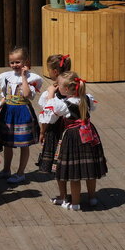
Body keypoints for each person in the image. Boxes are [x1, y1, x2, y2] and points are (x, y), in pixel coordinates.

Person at [40, 71, 107, 210]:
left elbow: (49, 117)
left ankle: (75, 203)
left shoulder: (63, 104)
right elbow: (93, 107)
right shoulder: (86, 99)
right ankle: (92, 197)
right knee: (89, 169)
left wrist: (51, 94)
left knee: (74, 172)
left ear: (65, 89)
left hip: (72, 137)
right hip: (89, 133)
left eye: (59, 85)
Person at [0, 46, 42, 183]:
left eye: (18, 62)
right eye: (12, 62)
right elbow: (5, 95)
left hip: (22, 111)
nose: (15, 65)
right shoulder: (5, 76)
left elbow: (27, 95)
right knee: (8, 143)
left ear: (26, 61)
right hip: (8, 111)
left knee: (23, 144)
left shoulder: (32, 77)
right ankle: (6, 170)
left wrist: (23, 77)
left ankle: (21, 173)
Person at [37, 54, 71, 204]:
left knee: (59, 166)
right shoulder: (72, 86)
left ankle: (63, 195)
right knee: (69, 164)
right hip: (70, 130)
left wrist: (42, 132)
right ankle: (75, 195)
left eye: (49, 70)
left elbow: (47, 116)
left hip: (56, 132)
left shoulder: (52, 91)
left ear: (55, 72)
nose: (48, 72)